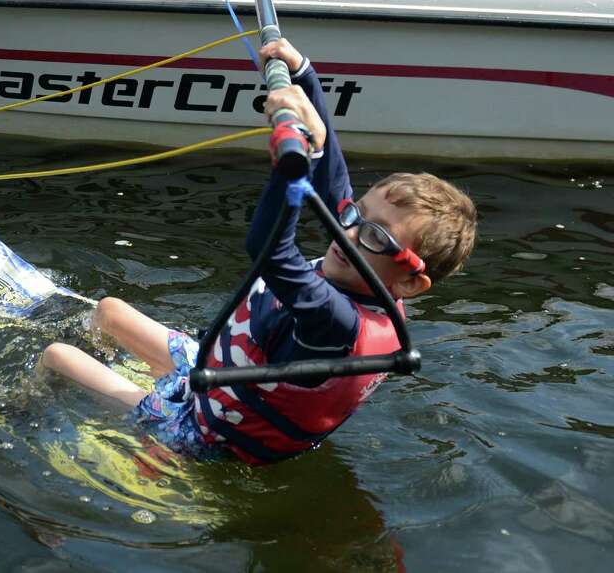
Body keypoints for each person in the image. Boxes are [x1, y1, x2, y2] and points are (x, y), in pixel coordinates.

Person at [38, 38, 478, 464]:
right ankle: (126, 370)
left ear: (408, 281)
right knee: (109, 310)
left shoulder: (335, 323)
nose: (347, 233)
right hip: (210, 377)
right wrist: (304, 76)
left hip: (203, 433)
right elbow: (335, 181)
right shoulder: (357, 256)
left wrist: (293, 158)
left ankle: (19, 407)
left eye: (376, 237)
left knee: (57, 358)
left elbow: (271, 253)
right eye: (355, 214)